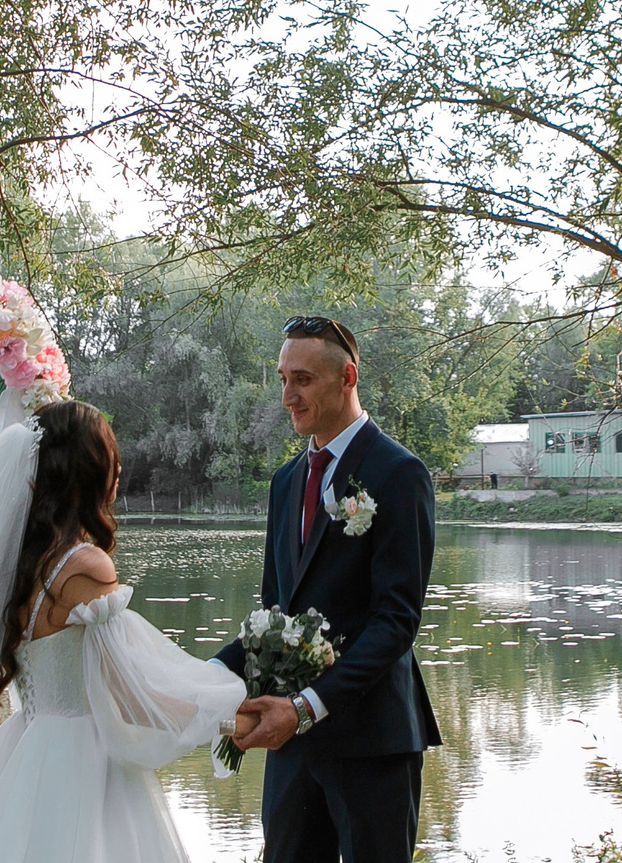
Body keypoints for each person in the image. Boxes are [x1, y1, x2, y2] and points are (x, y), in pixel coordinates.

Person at [0, 396, 247, 863]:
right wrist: (230, 717)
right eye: (110, 454)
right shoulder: (85, 567)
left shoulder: (19, 567)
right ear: (87, 470)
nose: (118, 468)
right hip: (82, 763)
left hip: (25, 749)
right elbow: (128, 695)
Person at [220, 315, 440, 863]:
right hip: (292, 747)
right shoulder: (286, 481)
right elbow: (275, 612)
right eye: (282, 379)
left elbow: (396, 621)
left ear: (347, 376)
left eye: (303, 379)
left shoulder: (398, 474)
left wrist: (308, 706)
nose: (288, 395)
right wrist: (207, 679)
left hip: (374, 743)